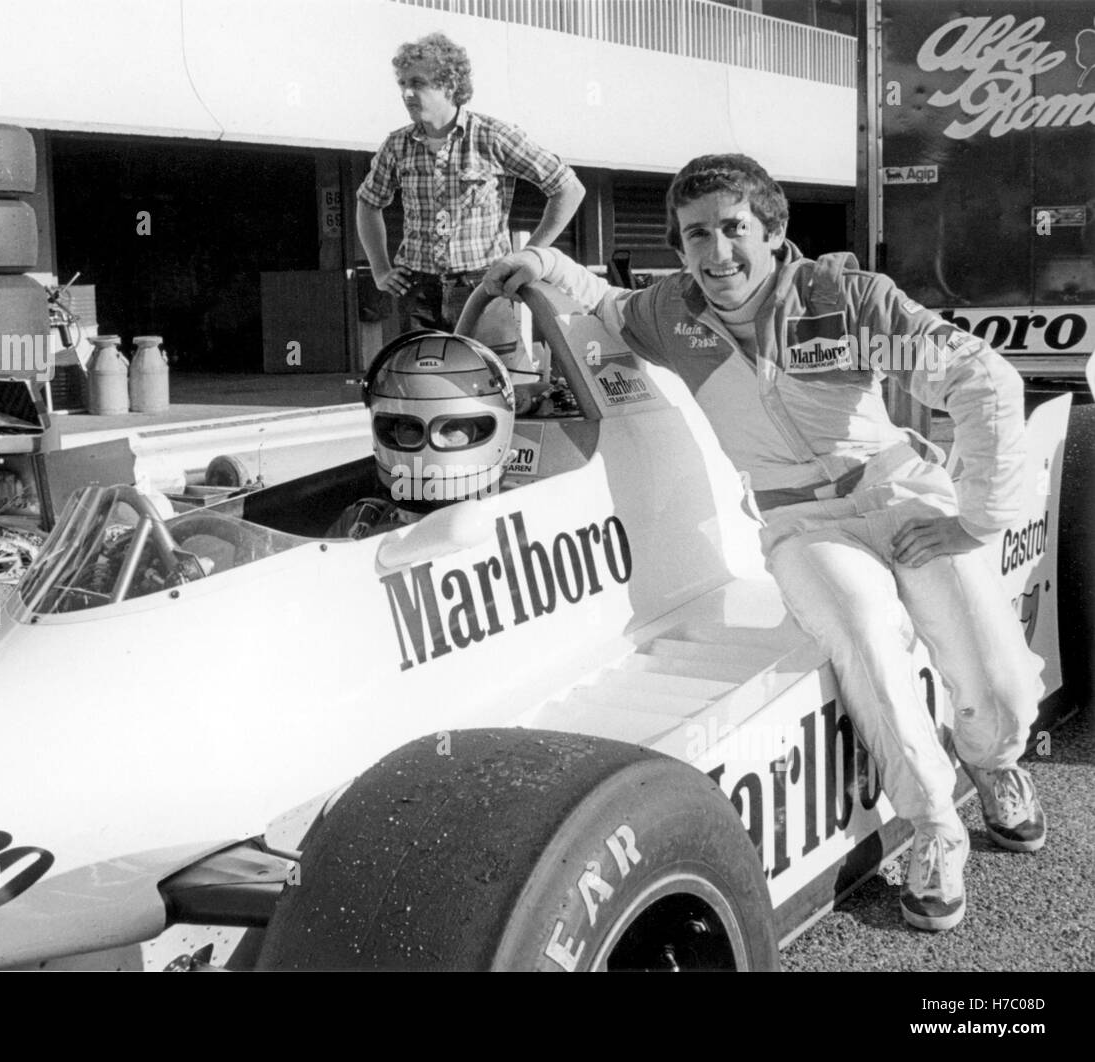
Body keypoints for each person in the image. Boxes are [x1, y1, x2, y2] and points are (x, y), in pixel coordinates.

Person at [482, 153, 1046, 933]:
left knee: (1003, 687)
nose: (716, 253)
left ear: (774, 232)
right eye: (695, 234)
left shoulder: (845, 299)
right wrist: (540, 261)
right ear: (678, 246)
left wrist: (976, 519)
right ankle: (935, 827)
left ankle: (994, 762)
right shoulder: (670, 314)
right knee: (863, 632)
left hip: (903, 496)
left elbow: (983, 379)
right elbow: (602, 301)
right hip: (803, 527)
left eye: (734, 229)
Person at [356, 32, 584, 349]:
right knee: (424, 388)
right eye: (403, 84)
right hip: (416, 292)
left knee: (492, 385)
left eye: (418, 83)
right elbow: (368, 203)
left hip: (483, 287)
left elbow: (568, 189)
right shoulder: (397, 145)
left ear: (449, 86)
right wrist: (381, 270)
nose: (407, 93)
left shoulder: (492, 136)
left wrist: (527, 258)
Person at [328, 329, 516, 539]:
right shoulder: (357, 524)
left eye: (451, 429)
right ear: (389, 433)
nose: (431, 442)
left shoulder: (528, 518)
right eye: (411, 428)